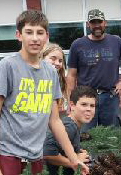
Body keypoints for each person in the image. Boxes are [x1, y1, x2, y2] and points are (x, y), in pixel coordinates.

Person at [0, 10, 88, 174]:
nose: (35, 38)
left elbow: (54, 121)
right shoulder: (7, 67)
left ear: (46, 36)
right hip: (8, 157)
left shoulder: (50, 72)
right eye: (29, 32)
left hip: (36, 157)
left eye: (40, 33)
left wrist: (73, 159)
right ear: (18, 35)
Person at [67, 9, 121, 131]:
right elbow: (71, 75)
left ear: (105, 23)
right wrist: (71, 101)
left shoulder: (116, 42)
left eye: (99, 22)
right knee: (85, 136)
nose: (97, 25)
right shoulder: (77, 45)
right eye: (93, 22)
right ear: (88, 24)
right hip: (85, 98)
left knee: (111, 137)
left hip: (110, 97)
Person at [44, 86, 97, 174]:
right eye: (84, 104)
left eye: (92, 106)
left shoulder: (75, 125)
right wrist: (75, 161)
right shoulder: (69, 127)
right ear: (72, 105)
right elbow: (46, 153)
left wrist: (78, 152)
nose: (89, 109)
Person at [41, 43, 68, 115]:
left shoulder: (62, 81)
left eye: (60, 61)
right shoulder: (31, 79)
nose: (57, 63)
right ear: (41, 57)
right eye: (53, 59)